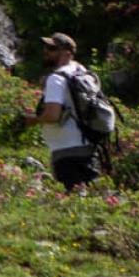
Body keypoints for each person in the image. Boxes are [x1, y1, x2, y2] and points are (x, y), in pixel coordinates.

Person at [32, 32, 104, 191]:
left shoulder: (56, 79)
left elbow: (52, 115)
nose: (46, 51)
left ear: (66, 53)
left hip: (66, 151)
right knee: (90, 198)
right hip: (87, 144)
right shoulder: (81, 71)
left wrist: (31, 120)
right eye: (46, 47)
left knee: (74, 199)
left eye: (52, 48)